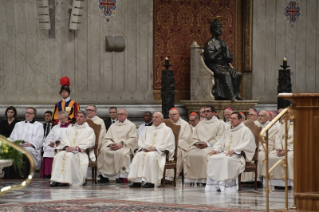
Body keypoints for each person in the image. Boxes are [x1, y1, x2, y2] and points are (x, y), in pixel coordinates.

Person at [205, 112, 256, 192]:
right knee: (212, 158)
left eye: (234, 118)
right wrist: (216, 149)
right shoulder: (228, 129)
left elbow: (247, 143)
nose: (231, 120)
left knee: (226, 159)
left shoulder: (245, 130)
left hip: (238, 155)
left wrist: (235, 150)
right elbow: (221, 142)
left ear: (240, 120)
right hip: (226, 153)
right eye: (230, 118)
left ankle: (227, 186)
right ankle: (215, 185)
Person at [128, 112, 175, 188]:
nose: (154, 119)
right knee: (139, 155)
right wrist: (143, 147)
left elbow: (169, 144)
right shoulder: (148, 129)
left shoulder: (167, 130)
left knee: (150, 156)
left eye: (156, 117)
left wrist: (155, 148)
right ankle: (137, 181)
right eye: (153, 117)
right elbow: (141, 140)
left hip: (159, 153)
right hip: (147, 150)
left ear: (161, 119)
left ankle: (150, 181)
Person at [50, 110, 95, 187]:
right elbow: (65, 140)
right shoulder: (70, 129)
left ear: (85, 119)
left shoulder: (89, 130)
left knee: (69, 156)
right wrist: (67, 147)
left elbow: (90, 142)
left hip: (80, 153)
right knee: (58, 155)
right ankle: (56, 179)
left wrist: (76, 148)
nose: (79, 118)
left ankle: (66, 181)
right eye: (78, 116)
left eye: (81, 117)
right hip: (69, 151)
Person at [204, 17, 243, 101]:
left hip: (225, 65)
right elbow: (210, 58)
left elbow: (230, 59)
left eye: (220, 27)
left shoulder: (223, 43)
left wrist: (226, 54)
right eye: (218, 28)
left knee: (238, 74)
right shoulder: (209, 43)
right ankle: (231, 96)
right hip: (215, 65)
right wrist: (220, 51)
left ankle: (236, 94)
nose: (220, 29)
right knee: (226, 74)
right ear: (213, 29)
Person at [184, 106, 225, 184]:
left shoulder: (219, 123)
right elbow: (194, 136)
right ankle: (193, 178)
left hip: (211, 146)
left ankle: (204, 179)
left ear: (213, 112)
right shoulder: (200, 123)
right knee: (189, 154)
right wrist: (196, 143)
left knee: (203, 155)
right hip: (199, 146)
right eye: (204, 111)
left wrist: (207, 144)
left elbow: (220, 138)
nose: (206, 113)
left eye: (208, 111)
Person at [97, 108, 138, 183]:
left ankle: (122, 176)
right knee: (104, 152)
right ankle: (104, 176)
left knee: (122, 153)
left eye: (121, 114)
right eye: (118, 114)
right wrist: (110, 144)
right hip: (113, 146)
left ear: (126, 115)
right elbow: (107, 138)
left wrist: (122, 143)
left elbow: (134, 138)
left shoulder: (131, 125)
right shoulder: (113, 126)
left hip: (125, 146)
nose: (119, 116)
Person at [241, 110, 278, 185]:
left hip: (263, 148)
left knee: (260, 155)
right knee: (243, 154)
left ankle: (256, 179)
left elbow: (270, 142)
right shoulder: (255, 125)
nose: (260, 118)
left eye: (262, 116)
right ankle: (244, 180)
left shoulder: (272, 127)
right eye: (259, 116)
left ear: (267, 118)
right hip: (253, 147)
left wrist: (259, 148)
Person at [9, 107, 44, 178]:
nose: (27, 115)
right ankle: (13, 174)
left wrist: (31, 144)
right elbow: (13, 137)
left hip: (31, 147)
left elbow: (40, 138)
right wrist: (19, 143)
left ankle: (25, 174)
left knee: (27, 150)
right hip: (19, 146)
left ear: (34, 115)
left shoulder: (39, 125)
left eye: (29, 113)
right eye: (26, 113)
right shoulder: (18, 124)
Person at [262, 110, 294, 189]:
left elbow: (302, 141)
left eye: (289, 113)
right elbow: (278, 138)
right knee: (270, 156)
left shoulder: (302, 124)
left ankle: (288, 182)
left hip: (293, 149)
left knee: (287, 157)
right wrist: (279, 148)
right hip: (281, 148)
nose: (287, 115)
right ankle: (273, 182)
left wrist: (288, 149)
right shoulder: (284, 124)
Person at [41, 111, 71, 178]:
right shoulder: (55, 127)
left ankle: (60, 173)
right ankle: (48, 173)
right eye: (59, 119)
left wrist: (61, 144)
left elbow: (71, 139)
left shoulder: (71, 127)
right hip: (55, 145)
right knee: (48, 149)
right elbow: (49, 137)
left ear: (67, 118)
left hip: (65, 146)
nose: (61, 121)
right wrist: (51, 143)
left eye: (62, 119)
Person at [166, 108, 192, 180]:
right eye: (170, 115)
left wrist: (174, 143)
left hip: (180, 146)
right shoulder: (168, 124)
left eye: (174, 114)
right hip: (168, 146)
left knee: (177, 153)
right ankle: (162, 175)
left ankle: (171, 176)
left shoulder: (184, 124)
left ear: (179, 115)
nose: (172, 116)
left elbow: (186, 139)